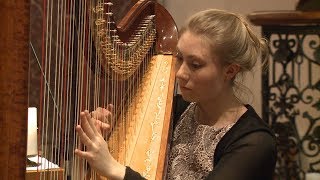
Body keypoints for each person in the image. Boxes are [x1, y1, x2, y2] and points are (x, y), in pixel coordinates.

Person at [74, 9, 277, 180]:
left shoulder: (254, 143)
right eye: (179, 58)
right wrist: (105, 140)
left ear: (230, 71)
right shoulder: (171, 109)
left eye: (195, 65)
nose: (180, 73)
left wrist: (116, 170)